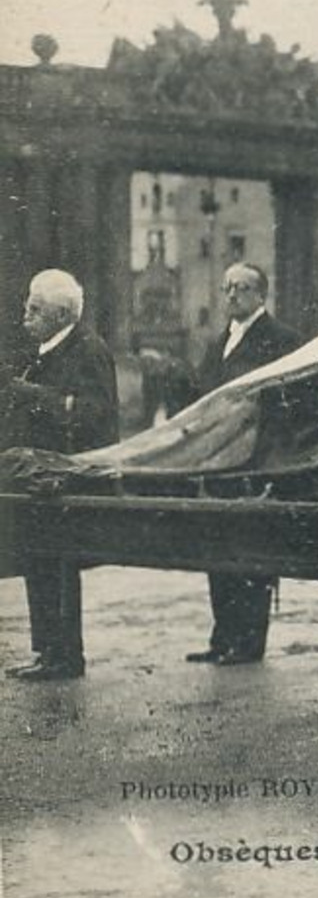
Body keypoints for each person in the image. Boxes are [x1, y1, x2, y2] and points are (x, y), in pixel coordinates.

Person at [184, 263, 302, 666]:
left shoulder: (280, 340)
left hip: (254, 465)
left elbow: (288, 404)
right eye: (227, 287)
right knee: (218, 551)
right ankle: (222, 637)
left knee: (250, 554)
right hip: (219, 463)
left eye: (242, 287)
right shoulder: (220, 342)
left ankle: (248, 643)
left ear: (260, 295)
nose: (232, 294)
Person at [3, 270, 119, 682]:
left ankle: (66, 657)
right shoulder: (47, 350)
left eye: (34, 310)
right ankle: (48, 652)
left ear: (60, 314)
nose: (25, 317)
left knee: (58, 565)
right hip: (40, 479)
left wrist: (32, 396)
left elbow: (96, 414)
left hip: (67, 481)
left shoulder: (87, 350)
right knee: (40, 561)